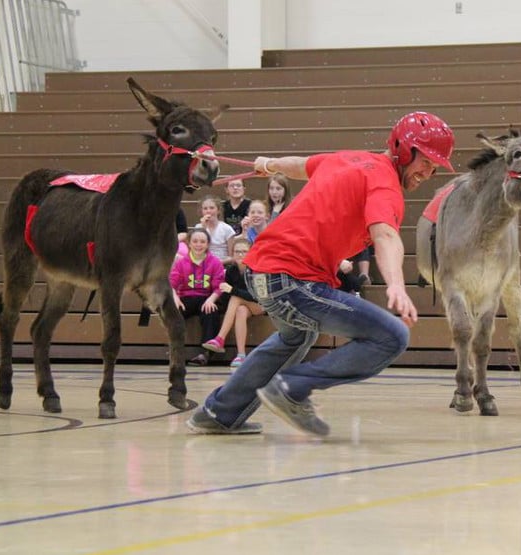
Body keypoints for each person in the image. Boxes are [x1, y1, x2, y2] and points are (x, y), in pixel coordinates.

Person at [187, 111, 456, 436]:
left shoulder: (349, 159)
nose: (428, 172)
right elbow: (385, 235)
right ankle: (292, 389)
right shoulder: (385, 186)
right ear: (403, 149)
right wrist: (396, 285)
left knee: (297, 335)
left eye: (435, 166)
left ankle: (219, 412)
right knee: (392, 336)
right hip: (290, 279)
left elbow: (300, 165)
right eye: (425, 161)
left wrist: (270, 164)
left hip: (263, 271)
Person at [201, 238, 265, 369]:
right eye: (237, 252)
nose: (240, 254)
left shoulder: (258, 270)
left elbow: (259, 297)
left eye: (244, 251)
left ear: (251, 252)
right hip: (242, 307)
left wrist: (233, 290)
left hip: (261, 305)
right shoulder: (231, 271)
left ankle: (220, 338)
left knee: (236, 298)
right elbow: (226, 298)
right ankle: (241, 355)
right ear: (232, 254)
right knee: (240, 310)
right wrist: (227, 291)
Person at [169, 228, 226, 366]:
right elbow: (171, 283)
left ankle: (205, 353)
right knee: (174, 313)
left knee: (211, 311)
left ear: (207, 244)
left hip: (206, 298)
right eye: (195, 241)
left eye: (202, 241)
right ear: (189, 243)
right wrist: (175, 297)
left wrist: (211, 299)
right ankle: (175, 352)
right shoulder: (182, 263)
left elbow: (219, 286)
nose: (198, 244)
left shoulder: (215, 262)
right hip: (186, 299)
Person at [194, 195, 236, 263]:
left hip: (222, 264)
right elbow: (196, 250)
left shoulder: (227, 229)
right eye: (205, 208)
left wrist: (216, 263)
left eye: (212, 208)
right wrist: (203, 229)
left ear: (218, 210)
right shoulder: (198, 228)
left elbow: (231, 257)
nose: (208, 211)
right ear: (201, 211)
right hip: (203, 263)